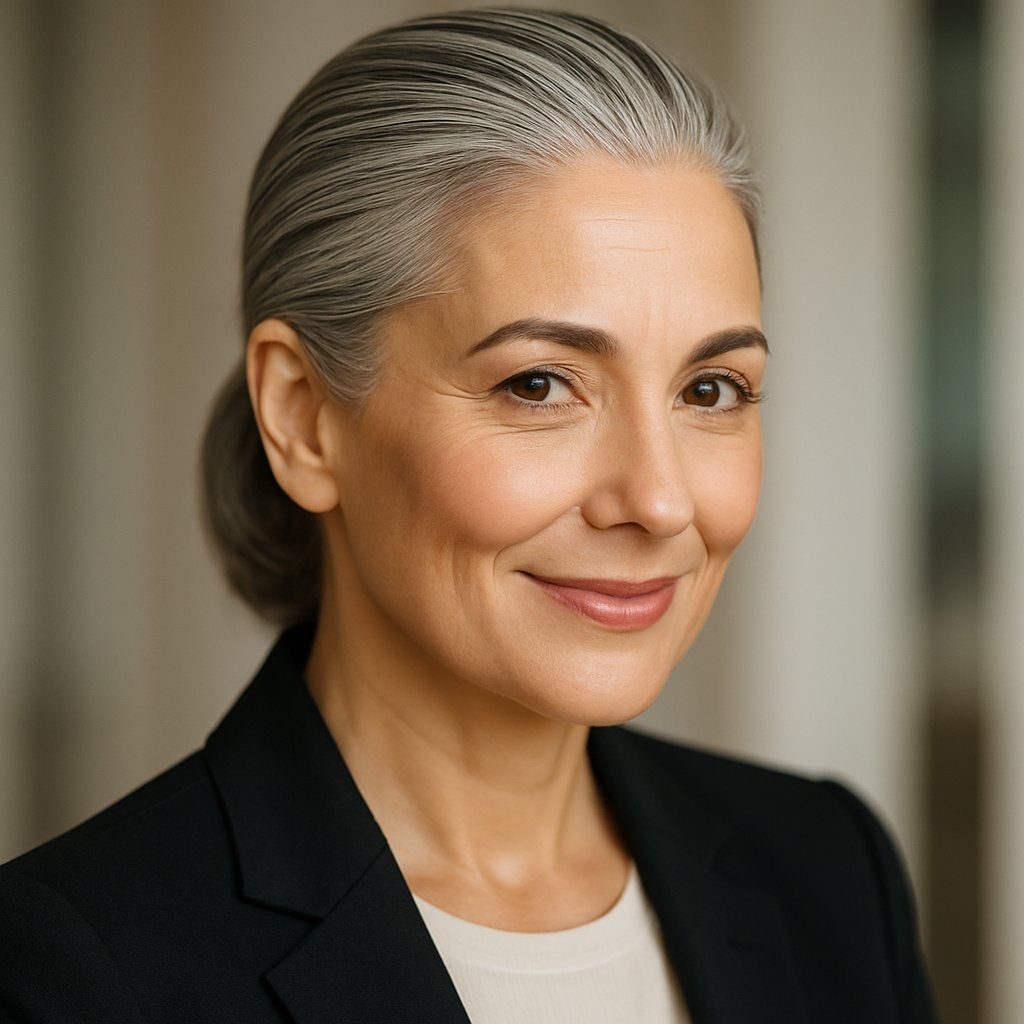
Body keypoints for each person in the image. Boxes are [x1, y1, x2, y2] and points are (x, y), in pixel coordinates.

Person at [0, 9, 936, 1023]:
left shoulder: (827, 868)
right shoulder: (69, 971)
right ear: (304, 418)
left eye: (710, 390)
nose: (660, 500)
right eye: (539, 384)